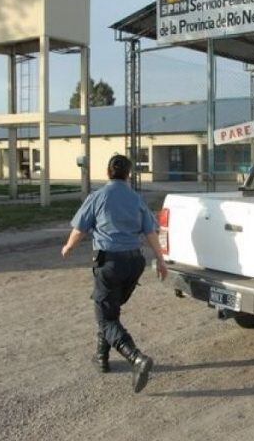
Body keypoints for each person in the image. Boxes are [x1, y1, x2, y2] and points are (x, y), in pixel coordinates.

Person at [61, 155, 168, 393]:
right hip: (134, 264)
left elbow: (80, 229)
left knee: (106, 317)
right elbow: (151, 233)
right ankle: (102, 358)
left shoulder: (98, 196)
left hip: (110, 264)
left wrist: (68, 247)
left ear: (108, 172)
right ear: (128, 174)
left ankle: (136, 358)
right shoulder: (136, 199)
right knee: (109, 309)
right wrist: (161, 261)